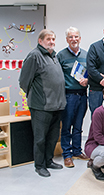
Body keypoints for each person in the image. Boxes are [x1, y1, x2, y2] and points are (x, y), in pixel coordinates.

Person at [19, 29, 66, 177]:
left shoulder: (53, 55)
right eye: (48, 39)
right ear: (40, 41)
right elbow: (23, 81)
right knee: (40, 138)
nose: (51, 42)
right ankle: (39, 166)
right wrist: (35, 95)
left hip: (56, 105)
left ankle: (48, 161)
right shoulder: (34, 56)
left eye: (53, 39)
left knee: (52, 137)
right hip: (41, 106)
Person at [57, 27, 89, 168]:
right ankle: (67, 155)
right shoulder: (61, 56)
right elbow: (56, 76)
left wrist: (87, 81)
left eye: (76, 36)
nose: (74, 39)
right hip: (68, 96)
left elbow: (90, 73)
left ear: (80, 38)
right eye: (70, 37)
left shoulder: (86, 54)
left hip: (83, 95)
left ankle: (77, 151)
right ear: (67, 39)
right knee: (67, 127)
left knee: (78, 126)